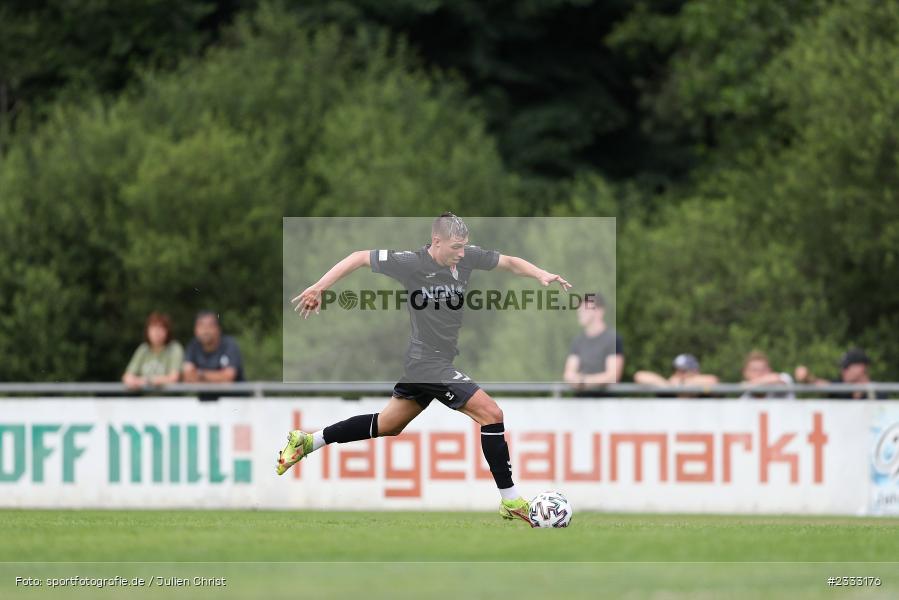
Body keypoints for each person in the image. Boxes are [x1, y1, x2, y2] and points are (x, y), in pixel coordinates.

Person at [279, 212, 571, 525]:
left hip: (435, 362)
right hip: (426, 362)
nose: (462, 252)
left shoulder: (467, 259)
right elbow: (359, 257)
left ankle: (309, 441)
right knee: (492, 414)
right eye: (456, 247)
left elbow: (509, 262)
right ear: (437, 241)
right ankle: (511, 500)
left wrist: (540, 273)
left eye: (464, 246)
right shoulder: (412, 263)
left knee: (388, 424)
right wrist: (320, 286)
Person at [562, 292, 623, 396]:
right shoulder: (578, 341)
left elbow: (613, 376)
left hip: (605, 406)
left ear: (599, 311)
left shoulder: (613, 339)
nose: (580, 312)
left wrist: (583, 381)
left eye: (585, 309)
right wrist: (581, 380)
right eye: (579, 309)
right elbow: (568, 374)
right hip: (580, 405)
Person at [122, 312, 184, 390]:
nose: (156, 332)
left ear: (167, 331)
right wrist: (133, 381)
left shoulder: (174, 348)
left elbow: (174, 378)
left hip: (169, 399)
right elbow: (127, 376)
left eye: (160, 328)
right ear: (147, 331)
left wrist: (147, 381)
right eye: (153, 328)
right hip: (145, 399)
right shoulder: (143, 349)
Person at [795, 348, 886, 400]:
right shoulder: (841, 387)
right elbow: (821, 385)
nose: (842, 371)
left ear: (861, 367)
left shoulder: (879, 392)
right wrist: (807, 377)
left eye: (846, 367)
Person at [182, 311, 245, 383]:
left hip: (233, 394)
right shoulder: (193, 345)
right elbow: (188, 375)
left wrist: (200, 375)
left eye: (210, 326)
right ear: (195, 330)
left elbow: (228, 377)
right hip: (206, 394)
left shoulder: (229, 344)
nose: (205, 330)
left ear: (218, 329)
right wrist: (217, 376)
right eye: (201, 326)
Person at [634, 353, 719, 392]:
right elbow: (639, 376)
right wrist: (668, 386)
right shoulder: (669, 392)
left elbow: (713, 380)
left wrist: (683, 383)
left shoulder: (702, 391)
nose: (678, 374)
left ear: (695, 371)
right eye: (677, 370)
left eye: (684, 371)